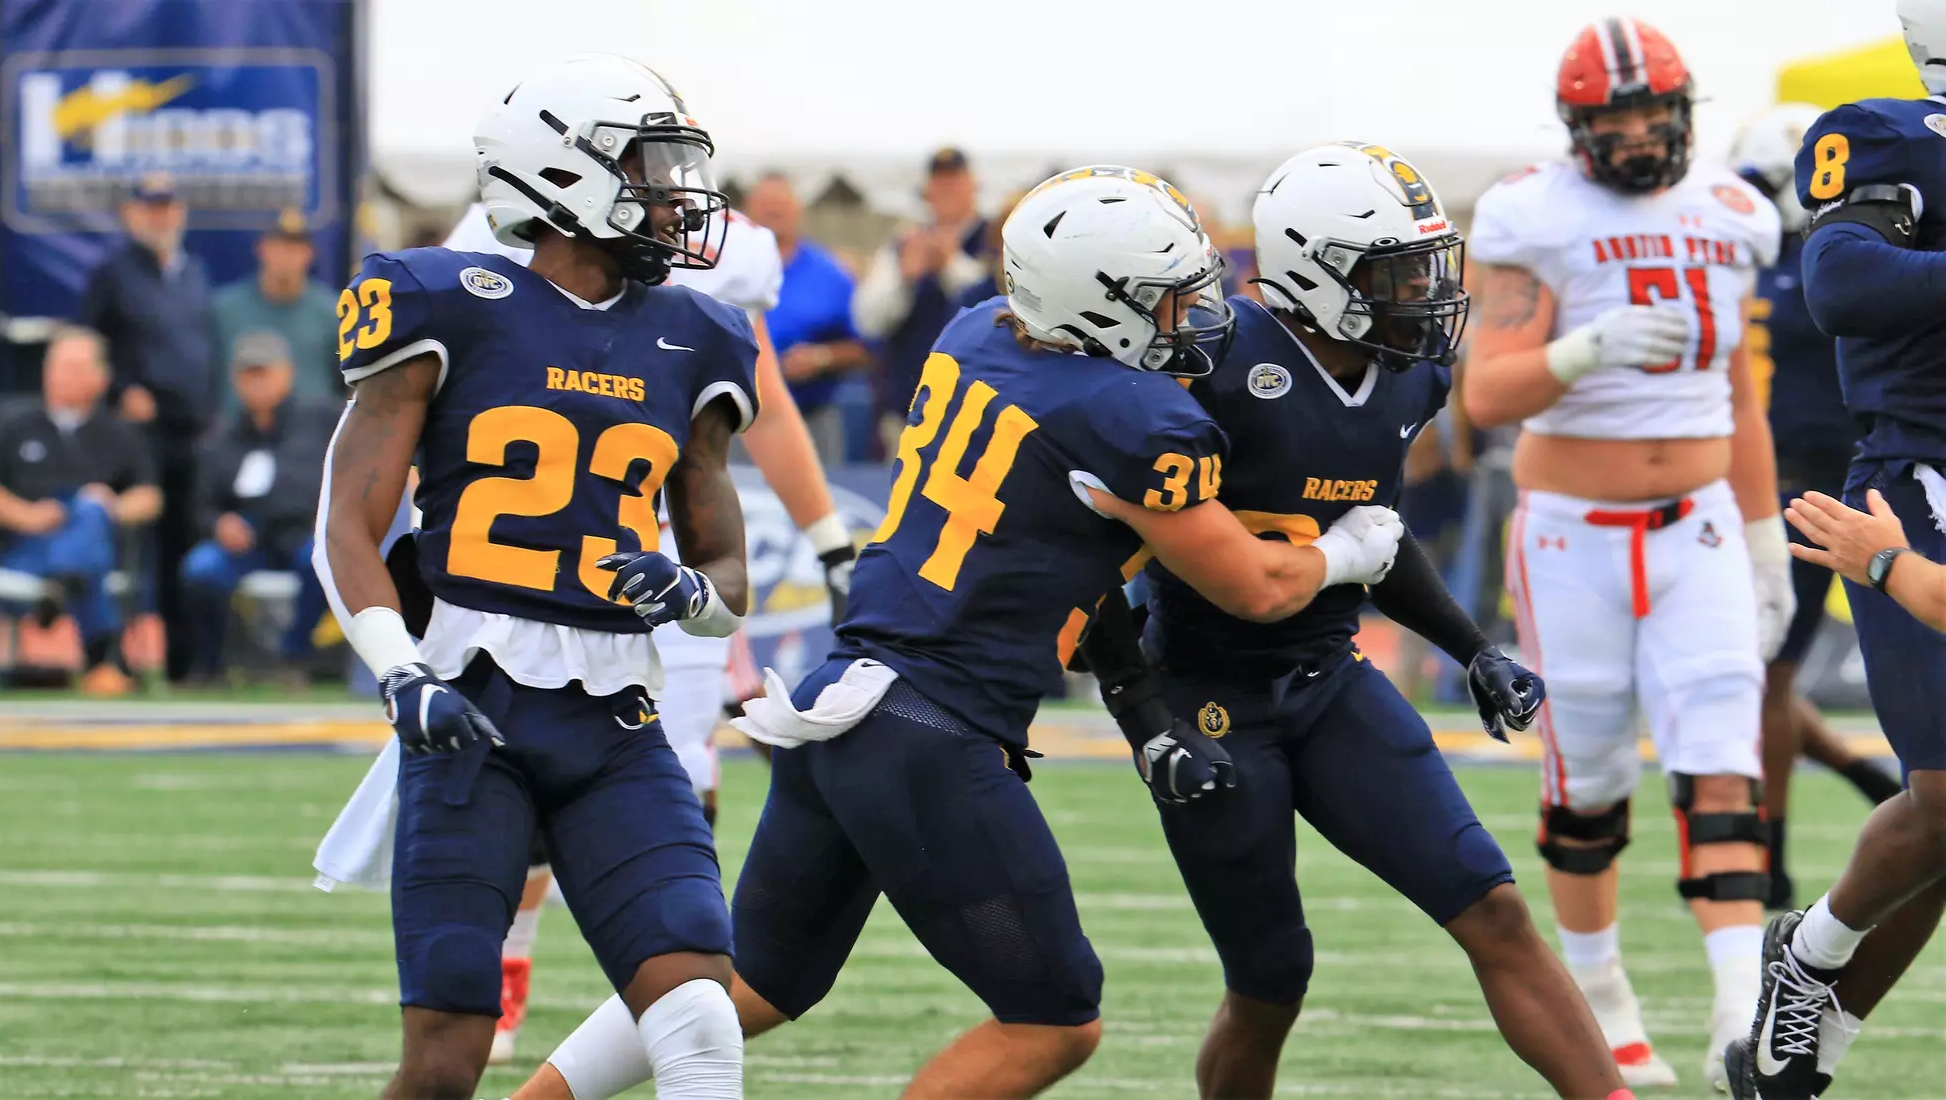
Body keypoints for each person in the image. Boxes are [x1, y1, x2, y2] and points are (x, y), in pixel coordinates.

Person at [507, 165, 1408, 1100]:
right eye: (1169, 300)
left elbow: (1071, 549)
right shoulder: (1131, 415)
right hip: (930, 732)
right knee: (1055, 1018)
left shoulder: (977, 332)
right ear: (1099, 305)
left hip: (845, 696)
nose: (1196, 319)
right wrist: (1351, 550)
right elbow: (1255, 587)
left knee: (750, 982)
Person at [1064, 142, 1628, 1100]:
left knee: (1493, 909)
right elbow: (1090, 560)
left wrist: (1472, 647)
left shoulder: (1408, 377)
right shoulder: (1206, 361)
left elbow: (1373, 532)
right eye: (1396, 271)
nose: (1424, 291)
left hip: (1329, 679)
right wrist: (1146, 721)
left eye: (1426, 266)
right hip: (1210, 702)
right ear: (1310, 270)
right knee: (1271, 979)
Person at [312, 54, 758, 1100]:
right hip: (471, 703)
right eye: (648, 167)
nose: (670, 194)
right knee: (446, 1059)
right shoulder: (441, 299)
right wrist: (399, 671)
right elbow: (350, 519)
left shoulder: (695, 334)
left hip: (619, 717)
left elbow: (726, 568)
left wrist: (696, 596)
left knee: (698, 1013)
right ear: (565, 174)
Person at [439, 122, 860, 1071]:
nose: (677, 189)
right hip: (520, 576)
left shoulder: (715, 265)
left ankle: (656, 990)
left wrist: (827, 534)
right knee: (522, 779)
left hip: (665, 563)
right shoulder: (486, 246)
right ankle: (509, 957)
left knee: (681, 776)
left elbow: (765, 405)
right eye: (647, 162)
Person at [1460, 18, 1791, 1090]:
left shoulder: (1732, 210)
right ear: (1579, 127)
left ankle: (1742, 1011)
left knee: (1720, 756)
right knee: (1590, 780)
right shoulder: (1531, 212)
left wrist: (1762, 534)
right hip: (1571, 533)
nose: (1643, 132)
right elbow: (1487, 391)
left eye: (1656, 111)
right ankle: (1602, 990)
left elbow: (1739, 394)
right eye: (1619, 117)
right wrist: (1582, 349)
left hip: (1696, 524)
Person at [1725, 2, 1946, 1095]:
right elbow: (1841, 282)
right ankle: (1805, 960)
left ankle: (1802, 1053)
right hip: (1921, 476)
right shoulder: (1896, 137)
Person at [1731, 103, 1905, 912]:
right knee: (1761, 670)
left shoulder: (1760, 264)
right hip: (1797, 470)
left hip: (1793, 481)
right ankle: (1859, 778)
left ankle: (1768, 858)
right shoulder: (1820, 262)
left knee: (1764, 673)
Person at [79, 171, 220, 682]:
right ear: (132, 214)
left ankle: (186, 663)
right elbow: (89, 345)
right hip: (140, 432)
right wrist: (121, 390)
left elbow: (207, 348)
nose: (161, 216)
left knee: (187, 541)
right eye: (151, 207)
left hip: (191, 431)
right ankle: (124, 659)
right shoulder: (113, 273)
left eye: (168, 206)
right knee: (139, 547)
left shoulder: (192, 272)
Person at [0, 327, 161, 694]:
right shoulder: (12, 425)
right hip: (28, 544)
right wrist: (28, 515)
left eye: (73, 367)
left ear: (101, 378)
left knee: (90, 511)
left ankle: (63, 583)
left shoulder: (120, 433)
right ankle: (100, 659)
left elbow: (149, 496)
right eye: (56, 365)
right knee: (88, 554)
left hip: (95, 540)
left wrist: (112, 504)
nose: (60, 375)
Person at [178, 331, 335, 683]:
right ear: (235, 380)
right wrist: (219, 524)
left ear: (287, 374)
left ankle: (293, 658)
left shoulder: (319, 421)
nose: (257, 383)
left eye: (265, 372)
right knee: (201, 568)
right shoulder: (221, 438)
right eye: (248, 373)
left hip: (302, 532)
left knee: (321, 560)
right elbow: (201, 505)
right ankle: (212, 665)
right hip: (247, 540)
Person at [852, 147, 989, 451]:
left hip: (980, 412)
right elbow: (869, 322)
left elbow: (996, 301)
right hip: (909, 408)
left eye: (955, 181)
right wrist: (906, 278)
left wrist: (949, 265)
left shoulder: (993, 238)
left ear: (973, 185)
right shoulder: (902, 244)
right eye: (939, 183)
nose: (946, 191)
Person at [741, 173, 872, 463]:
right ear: (748, 208)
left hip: (809, 420)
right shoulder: (722, 267)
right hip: (735, 425)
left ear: (798, 209)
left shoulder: (831, 274)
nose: (773, 210)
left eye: (781, 203)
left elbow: (866, 348)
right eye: (765, 203)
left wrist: (822, 357)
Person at [212, 208, 345, 409]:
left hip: (311, 431)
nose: (285, 257)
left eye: (294, 248)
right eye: (278, 247)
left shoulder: (331, 313)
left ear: (310, 254)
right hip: (240, 432)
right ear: (261, 249)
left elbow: (345, 382)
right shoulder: (225, 310)